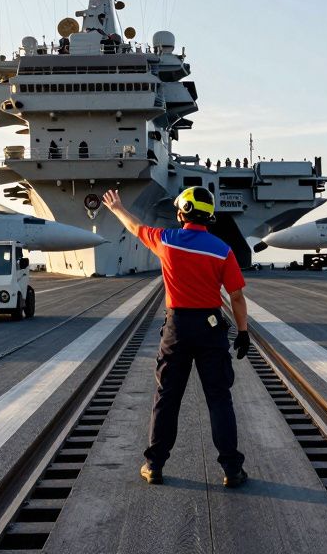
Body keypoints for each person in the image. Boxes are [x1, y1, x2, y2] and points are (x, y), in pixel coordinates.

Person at [102, 186, 250, 488]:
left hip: (177, 328)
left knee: (167, 399)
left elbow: (135, 227)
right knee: (220, 399)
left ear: (181, 212)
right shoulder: (222, 249)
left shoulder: (166, 240)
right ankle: (232, 470)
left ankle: (154, 466)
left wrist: (117, 207)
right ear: (209, 216)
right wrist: (243, 332)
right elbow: (236, 297)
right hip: (210, 328)